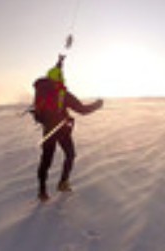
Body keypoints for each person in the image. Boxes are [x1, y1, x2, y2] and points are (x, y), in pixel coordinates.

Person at [33, 55, 103, 202]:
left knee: (46, 160)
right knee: (70, 155)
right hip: (63, 130)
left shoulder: (42, 89)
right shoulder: (62, 94)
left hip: (48, 130)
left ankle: (42, 192)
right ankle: (63, 183)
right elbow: (82, 110)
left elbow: (56, 71)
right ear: (60, 79)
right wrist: (97, 105)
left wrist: (60, 62)